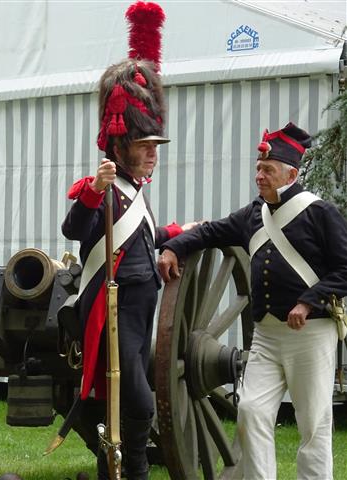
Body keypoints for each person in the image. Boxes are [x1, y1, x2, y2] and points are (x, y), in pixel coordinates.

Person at [158, 123, 347, 480]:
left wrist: (308, 302)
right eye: (258, 168)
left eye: (268, 170)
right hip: (266, 335)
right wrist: (172, 246)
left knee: (313, 423)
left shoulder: (320, 213)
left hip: (310, 334)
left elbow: (344, 268)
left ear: (291, 174)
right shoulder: (253, 214)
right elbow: (211, 231)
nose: (259, 175)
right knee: (251, 412)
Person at [62, 4, 196, 478]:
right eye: (145, 146)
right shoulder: (102, 189)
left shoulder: (133, 192)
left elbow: (138, 240)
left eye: (154, 147)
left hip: (140, 304)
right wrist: (92, 192)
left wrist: (172, 235)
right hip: (114, 308)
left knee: (130, 404)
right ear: (120, 145)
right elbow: (76, 231)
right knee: (136, 403)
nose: (152, 155)